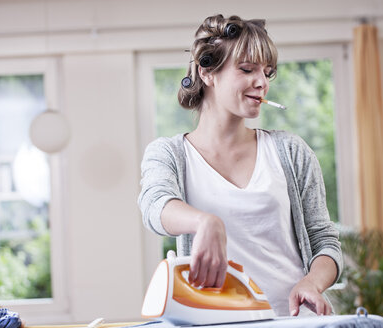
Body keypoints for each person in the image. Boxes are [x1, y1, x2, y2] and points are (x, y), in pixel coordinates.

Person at [138, 14, 342, 317]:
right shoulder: (168, 154)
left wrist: (312, 282)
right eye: (247, 69)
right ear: (207, 72)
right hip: (217, 322)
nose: (261, 83)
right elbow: (154, 206)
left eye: (267, 73)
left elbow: (325, 242)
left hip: (296, 321)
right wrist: (205, 222)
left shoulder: (290, 151)